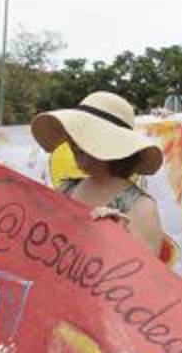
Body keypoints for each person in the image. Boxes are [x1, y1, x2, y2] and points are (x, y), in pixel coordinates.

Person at [31, 91, 165, 255]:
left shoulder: (141, 207)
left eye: (84, 136)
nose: (73, 143)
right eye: (74, 134)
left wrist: (117, 240)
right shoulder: (64, 190)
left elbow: (149, 276)